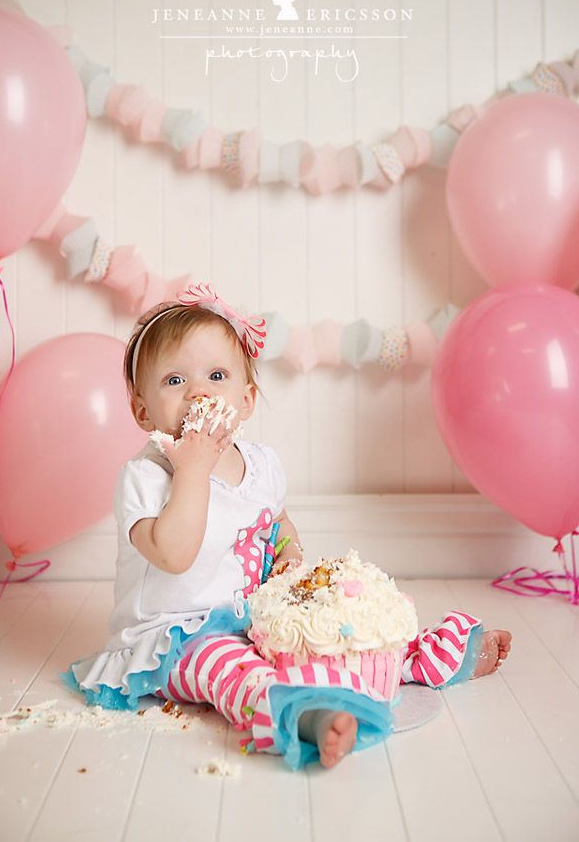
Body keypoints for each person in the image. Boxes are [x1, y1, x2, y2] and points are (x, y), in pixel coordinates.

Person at [60, 282, 512, 770]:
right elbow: (174, 555)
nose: (198, 392)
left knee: (336, 634)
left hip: (254, 618)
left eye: (216, 375)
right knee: (236, 673)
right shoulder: (146, 477)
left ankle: (425, 657)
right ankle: (306, 716)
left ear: (246, 400)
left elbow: (278, 522)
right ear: (142, 410)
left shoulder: (259, 465)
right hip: (174, 640)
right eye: (174, 380)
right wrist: (192, 469)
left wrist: (288, 554)